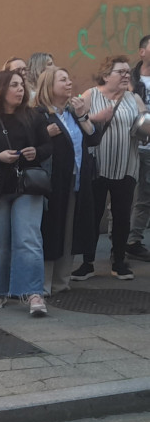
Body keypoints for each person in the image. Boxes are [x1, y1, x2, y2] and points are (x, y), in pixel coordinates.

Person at [0, 69, 52, 315]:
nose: (20, 89)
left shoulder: (33, 116)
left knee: (28, 239)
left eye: (22, 85)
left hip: (27, 186)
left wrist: (37, 152)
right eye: (14, 85)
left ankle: (34, 294)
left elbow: (47, 146)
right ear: (0, 89)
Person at [74, 56, 147, 281]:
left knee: (122, 214)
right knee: (92, 215)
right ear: (106, 76)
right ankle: (88, 262)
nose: (126, 75)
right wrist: (96, 118)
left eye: (127, 72)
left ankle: (118, 261)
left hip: (126, 165)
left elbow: (144, 126)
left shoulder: (134, 99)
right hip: (98, 166)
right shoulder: (89, 95)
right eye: (120, 72)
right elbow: (77, 124)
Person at [35, 67, 104, 295]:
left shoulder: (73, 112)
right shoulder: (40, 114)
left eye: (69, 79)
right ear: (48, 86)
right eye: (62, 80)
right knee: (51, 229)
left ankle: (61, 281)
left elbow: (93, 138)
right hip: (53, 183)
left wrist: (84, 115)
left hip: (76, 180)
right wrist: (47, 133)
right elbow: (33, 143)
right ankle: (43, 283)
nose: (69, 83)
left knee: (70, 230)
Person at [126, 34, 150, 261]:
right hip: (133, 145)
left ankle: (134, 240)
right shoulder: (130, 79)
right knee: (123, 194)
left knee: (146, 195)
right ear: (142, 52)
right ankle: (118, 242)